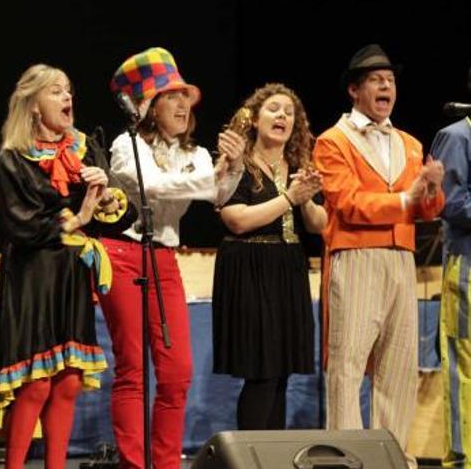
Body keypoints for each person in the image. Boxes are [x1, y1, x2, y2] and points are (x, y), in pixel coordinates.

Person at [0, 63, 135, 469]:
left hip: (71, 273)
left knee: (67, 383)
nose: (67, 98)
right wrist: (79, 218)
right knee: (35, 384)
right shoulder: (13, 159)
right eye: (55, 92)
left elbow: (123, 218)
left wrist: (106, 197)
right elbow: (24, 226)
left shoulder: (83, 149)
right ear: (33, 105)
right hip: (33, 276)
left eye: (68, 90)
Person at [102, 47, 244, 468]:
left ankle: (165, 463)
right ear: (148, 106)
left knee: (177, 372)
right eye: (171, 96)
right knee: (132, 369)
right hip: (123, 254)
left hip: (164, 258)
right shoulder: (126, 146)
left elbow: (217, 195)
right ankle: (134, 462)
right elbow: (155, 187)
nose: (183, 105)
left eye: (186, 97)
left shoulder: (195, 155)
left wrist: (232, 168)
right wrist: (213, 176)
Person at [313, 44, 445, 468]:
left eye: (390, 79)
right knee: (348, 363)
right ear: (355, 90)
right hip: (356, 256)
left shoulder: (409, 143)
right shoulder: (333, 141)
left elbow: (426, 211)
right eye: (375, 79)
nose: (386, 85)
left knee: (399, 364)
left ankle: (391, 456)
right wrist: (408, 198)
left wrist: (430, 190)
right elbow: (348, 203)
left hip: (400, 259)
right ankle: (346, 457)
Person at [212, 83, 327, 431]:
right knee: (261, 372)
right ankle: (250, 457)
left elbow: (319, 224)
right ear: (255, 119)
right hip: (249, 266)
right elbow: (237, 219)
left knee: (280, 374)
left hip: (287, 267)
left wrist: (305, 197)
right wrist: (290, 198)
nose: (283, 116)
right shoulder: (238, 163)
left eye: (290, 112)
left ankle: (270, 455)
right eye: (274, 109)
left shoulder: (296, 164)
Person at [430, 64, 471, 468]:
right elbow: (451, 202)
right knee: (464, 363)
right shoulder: (457, 135)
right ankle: (461, 460)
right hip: (468, 267)